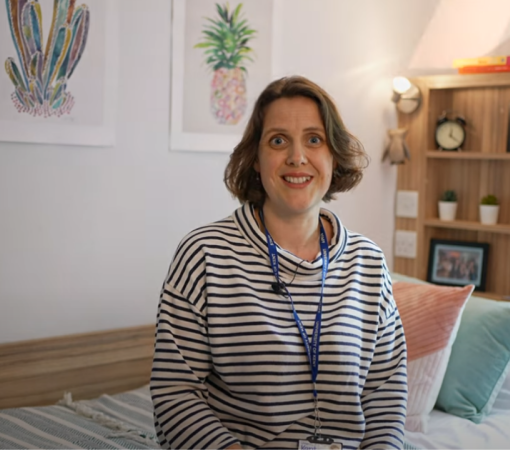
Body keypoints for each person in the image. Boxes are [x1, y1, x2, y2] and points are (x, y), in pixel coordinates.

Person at [151, 76, 408, 449]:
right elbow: (175, 394)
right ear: (256, 160)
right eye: (278, 141)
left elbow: (386, 392)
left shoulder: (367, 262)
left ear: (333, 156)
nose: (297, 157)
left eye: (314, 139)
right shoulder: (204, 254)